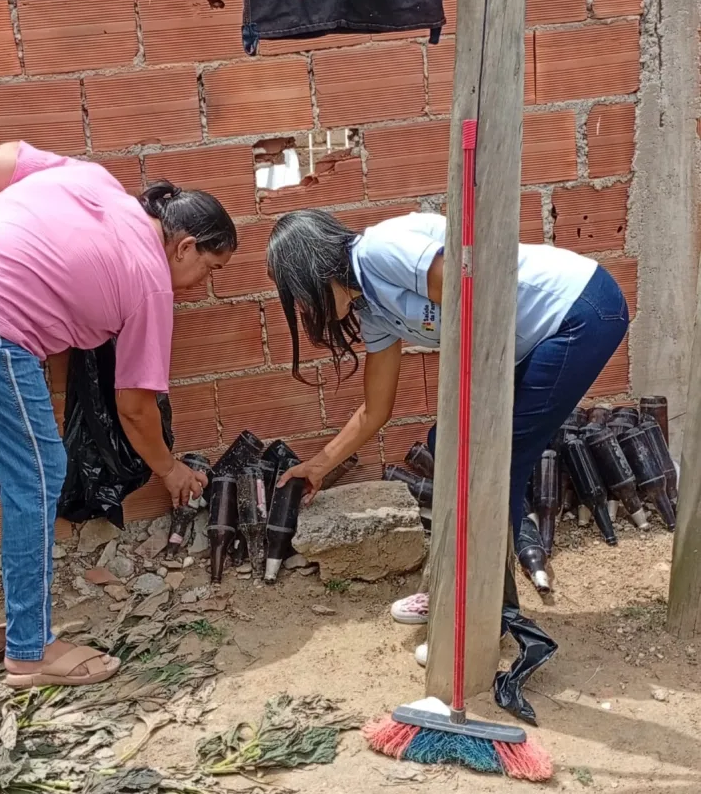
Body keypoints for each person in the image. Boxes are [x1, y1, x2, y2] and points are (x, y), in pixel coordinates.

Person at [0, 141, 237, 687]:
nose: (208, 282)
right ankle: (30, 650)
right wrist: (170, 470)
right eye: (212, 267)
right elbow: (133, 409)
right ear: (186, 247)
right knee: (37, 477)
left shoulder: (93, 179)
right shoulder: (151, 282)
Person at [267, 208, 628, 664]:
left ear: (311, 273)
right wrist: (319, 465)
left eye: (299, 298)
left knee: (497, 459)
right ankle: (453, 590)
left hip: (577, 312)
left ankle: (481, 616)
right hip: (529, 335)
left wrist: (472, 407)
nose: (303, 310)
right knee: (448, 444)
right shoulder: (372, 306)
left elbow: (472, 298)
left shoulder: (380, 250)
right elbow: (377, 409)